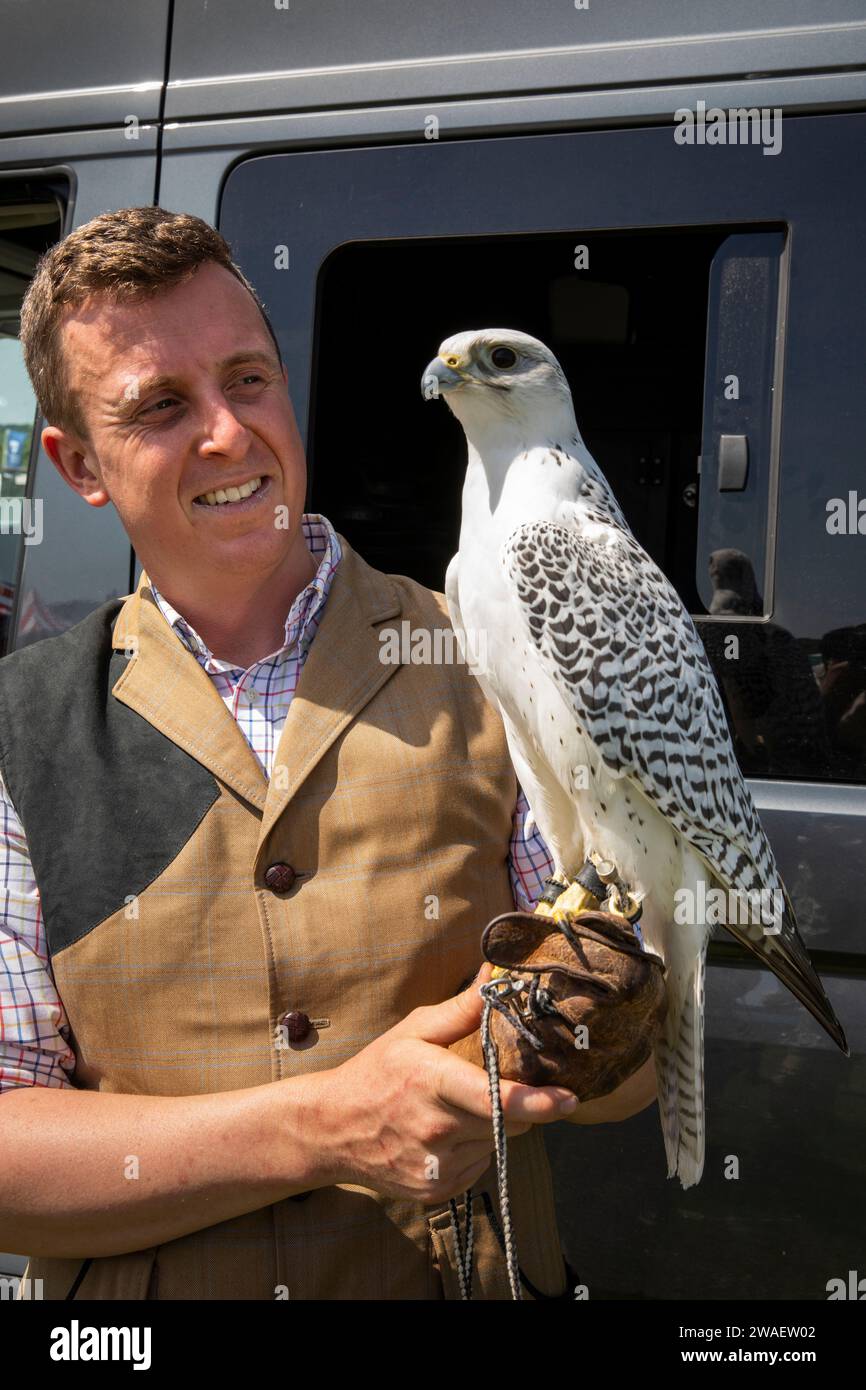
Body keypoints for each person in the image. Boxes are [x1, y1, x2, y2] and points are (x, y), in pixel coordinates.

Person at [0, 207, 657, 1300]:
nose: (226, 433)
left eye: (247, 379)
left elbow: (630, 1072)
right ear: (78, 465)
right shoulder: (19, 728)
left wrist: (586, 1005)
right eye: (162, 405)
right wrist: (325, 1127)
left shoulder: (480, 650)